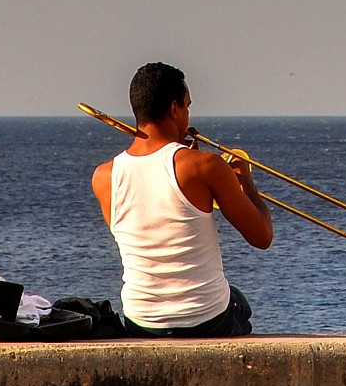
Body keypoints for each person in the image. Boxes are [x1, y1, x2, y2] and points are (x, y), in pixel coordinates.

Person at [91, 61, 271, 337]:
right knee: (239, 303)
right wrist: (245, 180)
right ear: (174, 109)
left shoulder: (103, 177)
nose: (188, 115)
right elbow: (262, 236)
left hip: (140, 321)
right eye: (187, 106)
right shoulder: (206, 166)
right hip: (206, 319)